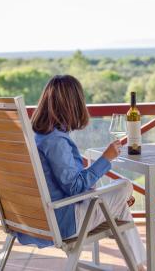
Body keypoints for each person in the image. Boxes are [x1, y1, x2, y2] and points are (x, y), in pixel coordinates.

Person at [16, 75, 146, 270]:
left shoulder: (38, 136)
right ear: (73, 104)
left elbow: (65, 182)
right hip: (64, 222)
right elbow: (75, 188)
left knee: (119, 205)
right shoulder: (56, 141)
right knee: (125, 186)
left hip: (38, 218)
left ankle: (140, 266)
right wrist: (106, 158)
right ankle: (141, 265)